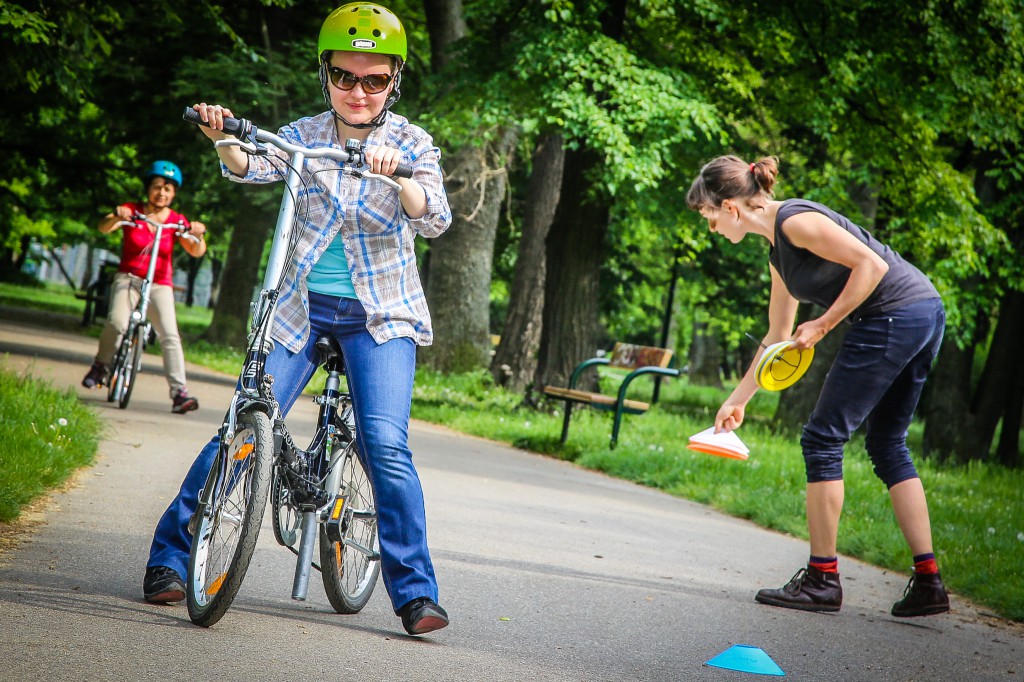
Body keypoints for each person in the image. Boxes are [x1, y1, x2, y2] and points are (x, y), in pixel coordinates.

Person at [142, 3, 453, 636]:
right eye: (345, 77)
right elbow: (249, 166)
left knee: (385, 445)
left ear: (395, 80)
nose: (358, 91)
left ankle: (415, 594)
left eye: (374, 80)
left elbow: (433, 214)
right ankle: (170, 560)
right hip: (299, 310)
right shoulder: (304, 136)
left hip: (379, 316)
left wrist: (397, 180)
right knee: (241, 427)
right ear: (325, 75)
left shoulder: (412, 144)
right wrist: (221, 135)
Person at [687, 155, 950, 618]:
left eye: (709, 217)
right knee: (888, 444)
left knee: (822, 439)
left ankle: (822, 578)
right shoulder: (778, 254)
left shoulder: (796, 222)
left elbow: (871, 266)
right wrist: (738, 399)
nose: (710, 228)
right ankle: (929, 581)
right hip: (921, 312)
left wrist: (824, 325)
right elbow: (776, 338)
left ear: (730, 208)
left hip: (896, 313)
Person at [81, 160, 207, 414]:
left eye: (168, 189)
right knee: (117, 322)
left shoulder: (176, 221)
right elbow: (103, 227)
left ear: (174, 194)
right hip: (129, 279)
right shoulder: (132, 211)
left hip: (160, 285)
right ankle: (101, 365)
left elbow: (196, 250)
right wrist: (118, 215)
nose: (162, 193)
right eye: (157, 186)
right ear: (148, 188)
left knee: (170, 336)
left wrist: (198, 233)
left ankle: (179, 393)